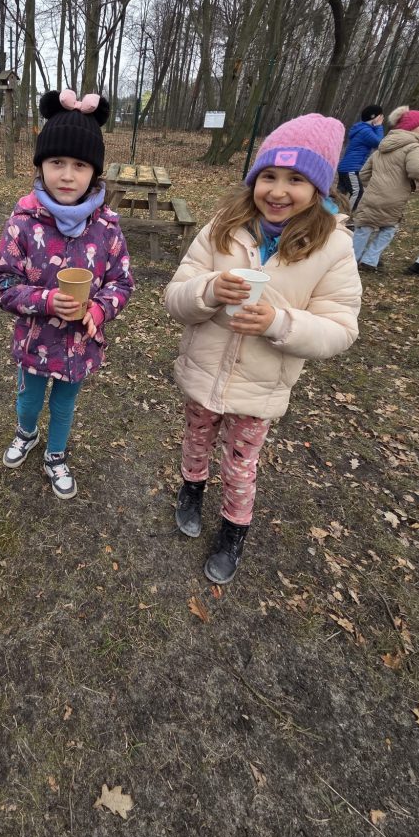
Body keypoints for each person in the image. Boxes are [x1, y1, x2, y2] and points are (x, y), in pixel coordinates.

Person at [164, 114, 361, 585]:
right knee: (196, 440)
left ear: (318, 188)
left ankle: (233, 530)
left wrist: (280, 323)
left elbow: (340, 328)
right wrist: (209, 289)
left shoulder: (332, 247)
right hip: (204, 371)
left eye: (296, 180)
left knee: (240, 465)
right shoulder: (223, 228)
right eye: (268, 176)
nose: (278, 191)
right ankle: (191, 490)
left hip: (260, 387)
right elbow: (175, 297)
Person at [0, 89, 134, 499]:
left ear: (94, 172)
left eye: (79, 165)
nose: (67, 175)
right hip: (34, 341)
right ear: (41, 165)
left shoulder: (107, 228)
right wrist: (46, 300)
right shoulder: (23, 222)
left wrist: (100, 310)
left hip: (79, 345)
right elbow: (1, 283)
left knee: (64, 405)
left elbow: (122, 282)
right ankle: (26, 432)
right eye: (57, 163)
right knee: (29, 400)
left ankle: (56, 454)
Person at [353, 106, 419, 273]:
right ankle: (370, 260)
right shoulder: (413, 147)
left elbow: (364, 174)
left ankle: (351, 259)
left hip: (372, 196)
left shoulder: (382, 146)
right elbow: (417, 170)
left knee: (364, 227)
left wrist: (375, 186)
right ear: (411, 127)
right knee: (388, 229)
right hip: (394, 199)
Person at [337, 104, 384, 211]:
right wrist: (378, 126)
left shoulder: (362, 129)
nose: (382, 119)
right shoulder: (365, 131)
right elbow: (380, 143)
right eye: (381, 116)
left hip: (346, 167)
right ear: (374, 117)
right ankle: (347, 216)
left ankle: (328, 214)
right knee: (357, 192)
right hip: (351, 168)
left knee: (339, 195)